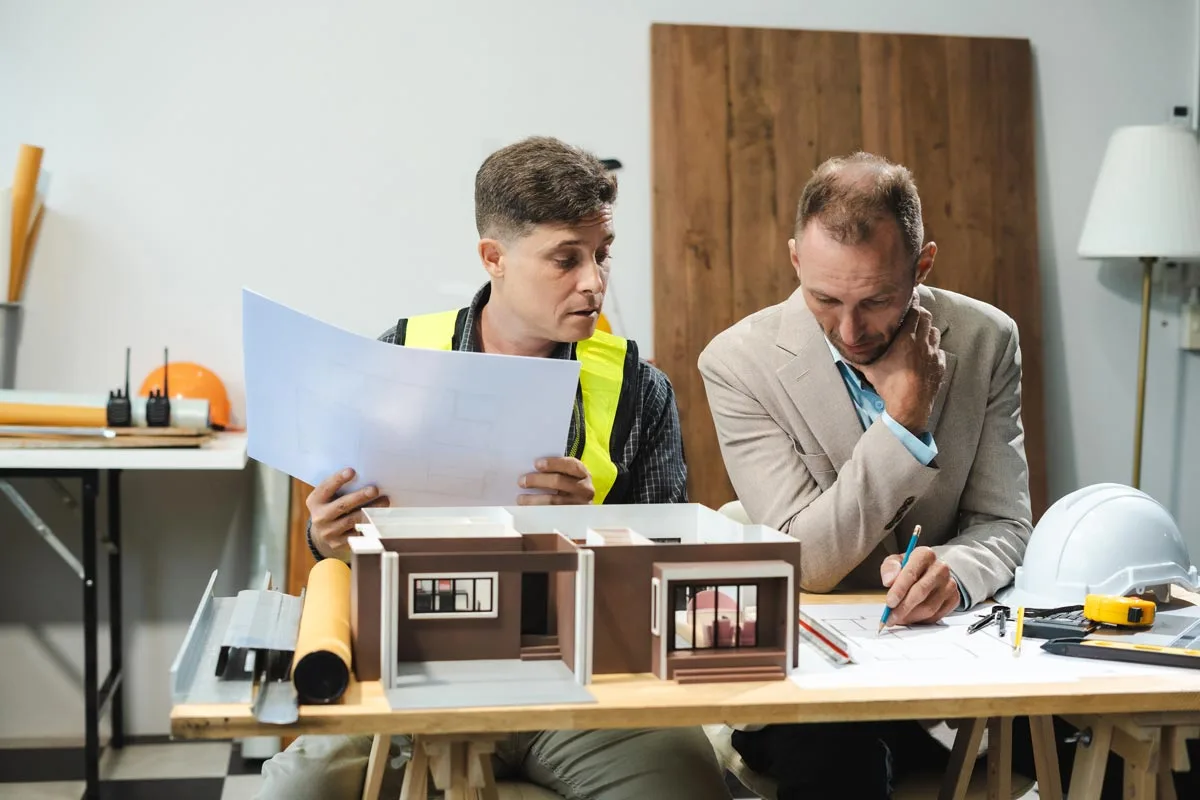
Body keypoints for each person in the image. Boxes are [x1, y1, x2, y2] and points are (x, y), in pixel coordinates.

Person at [256, 136, 732, 800]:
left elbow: (667, 570)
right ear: (494, 258)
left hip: (577, 686)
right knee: (286, 794)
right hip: (409, 674)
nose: (593, 281)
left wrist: (592, 535)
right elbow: (338, 547)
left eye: (602, 255)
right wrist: (328, 536)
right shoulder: (398, 358)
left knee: (686, 789)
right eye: (566, 260)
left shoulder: (636, 391)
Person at [696, 151, 1157, 798]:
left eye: (877, 300)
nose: (849, 329)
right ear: (796, 259)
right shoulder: (737, 363)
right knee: (842, 761)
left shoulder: (989, 338)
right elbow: (808, 559)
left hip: (953, 659)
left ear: (923, 266)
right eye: (824, 299)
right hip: (815, 680)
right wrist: (906, 421)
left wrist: (955, 578)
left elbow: (1004, 523)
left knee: (1131, 744)